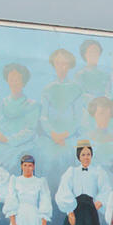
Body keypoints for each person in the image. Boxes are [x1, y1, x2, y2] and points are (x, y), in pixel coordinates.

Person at [40, 49, 86, 181]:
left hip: (69, 137)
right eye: (58, 63)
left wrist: (64, 135)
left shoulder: (76, 89)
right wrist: (53, 134)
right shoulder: (47, 89)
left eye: (65, 64)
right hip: (51, 138)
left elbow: (78, 118)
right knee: (47, 162)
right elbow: (44, 116)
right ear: (54, 64)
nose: (61, 67)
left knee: (68, 164)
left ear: (70, 66)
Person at [0, 63, 40, 166]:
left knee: (17, 159)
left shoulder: (32, 105)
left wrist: (8, 139)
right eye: (11, 79)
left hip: (23, 145)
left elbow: (30, 130)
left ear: (23, 81)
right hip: (2, 144)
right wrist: (0, 136)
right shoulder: (1, 104)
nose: (14, 82)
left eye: (18, 79)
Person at [85, 97, 113, 176]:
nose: (105, 118)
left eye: (108, 114)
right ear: (94, 114)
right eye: (101, 114)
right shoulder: (86, 138)